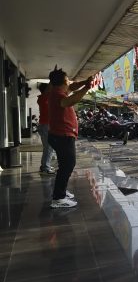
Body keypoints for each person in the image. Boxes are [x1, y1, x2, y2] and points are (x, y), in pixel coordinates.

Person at [47, 66, 94, 208]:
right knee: (67, 165)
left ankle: (60, 192)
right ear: (62, 82)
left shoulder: (57, 90)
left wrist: (84, 82)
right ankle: (58, 198)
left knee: (65, 166)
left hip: (61, 135)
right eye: (67, 80)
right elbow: (70, 101)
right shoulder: (58, 94)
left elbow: (72, 87)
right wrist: (86, 88)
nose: (69, 82)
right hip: (62, 135)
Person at [37, 83, 55, 175]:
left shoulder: (42, 97)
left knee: (48, 147)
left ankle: (44, 165)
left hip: (45, 125)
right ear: (46, 89)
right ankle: (45, 167)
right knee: (49, 147)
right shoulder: (44, 97)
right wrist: (52, 80)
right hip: (45, 125)